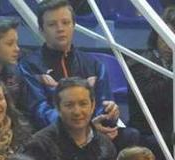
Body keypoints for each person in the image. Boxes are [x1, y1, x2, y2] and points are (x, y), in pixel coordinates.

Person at [17, 0, 136, 149]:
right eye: (52, 24)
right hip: (54, 136)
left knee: (131, 136)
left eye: (65, 22)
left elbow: (103, 104)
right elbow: (39, 110)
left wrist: (110, 113)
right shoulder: (29, 66)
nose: (60, 29)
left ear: (74, 26)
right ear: (41, 30)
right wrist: (85, 129)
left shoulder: (94, 65)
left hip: (94, 132)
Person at [129, 6, 175, 156]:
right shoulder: (138, 63)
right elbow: (152, 101)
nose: (169, 43)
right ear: (156, 35)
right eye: (165, 35)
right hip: (151, 127)